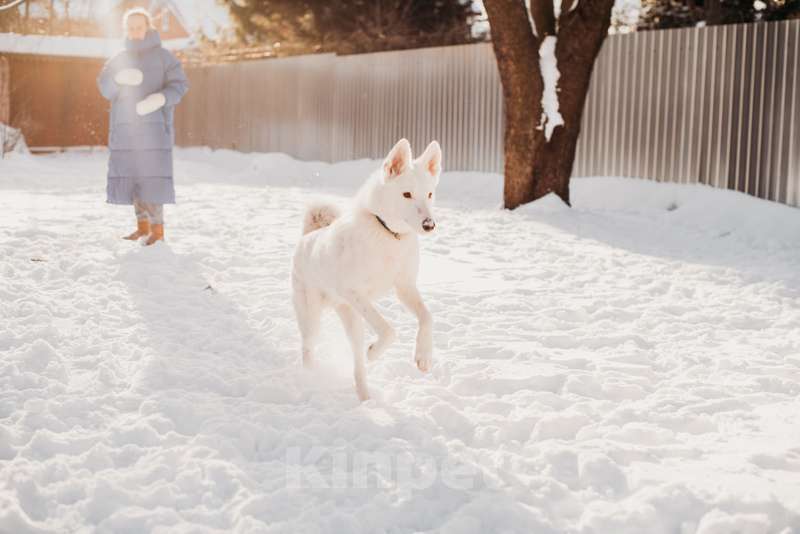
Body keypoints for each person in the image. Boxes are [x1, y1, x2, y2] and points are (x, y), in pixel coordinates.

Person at [97, 7, 189, 246]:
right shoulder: (118, 59)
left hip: (154, 130)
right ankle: (142, 227)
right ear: (125, 30)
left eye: (140, 26)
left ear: (148, 27)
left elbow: (179, 85)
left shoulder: (164, 57)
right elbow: (105, 87)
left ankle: (157, 230)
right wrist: (117, 80)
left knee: (152, 178)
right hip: (125, 129)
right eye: (131, 27)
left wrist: (159, 99)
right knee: (134, 177)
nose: (135, 31)